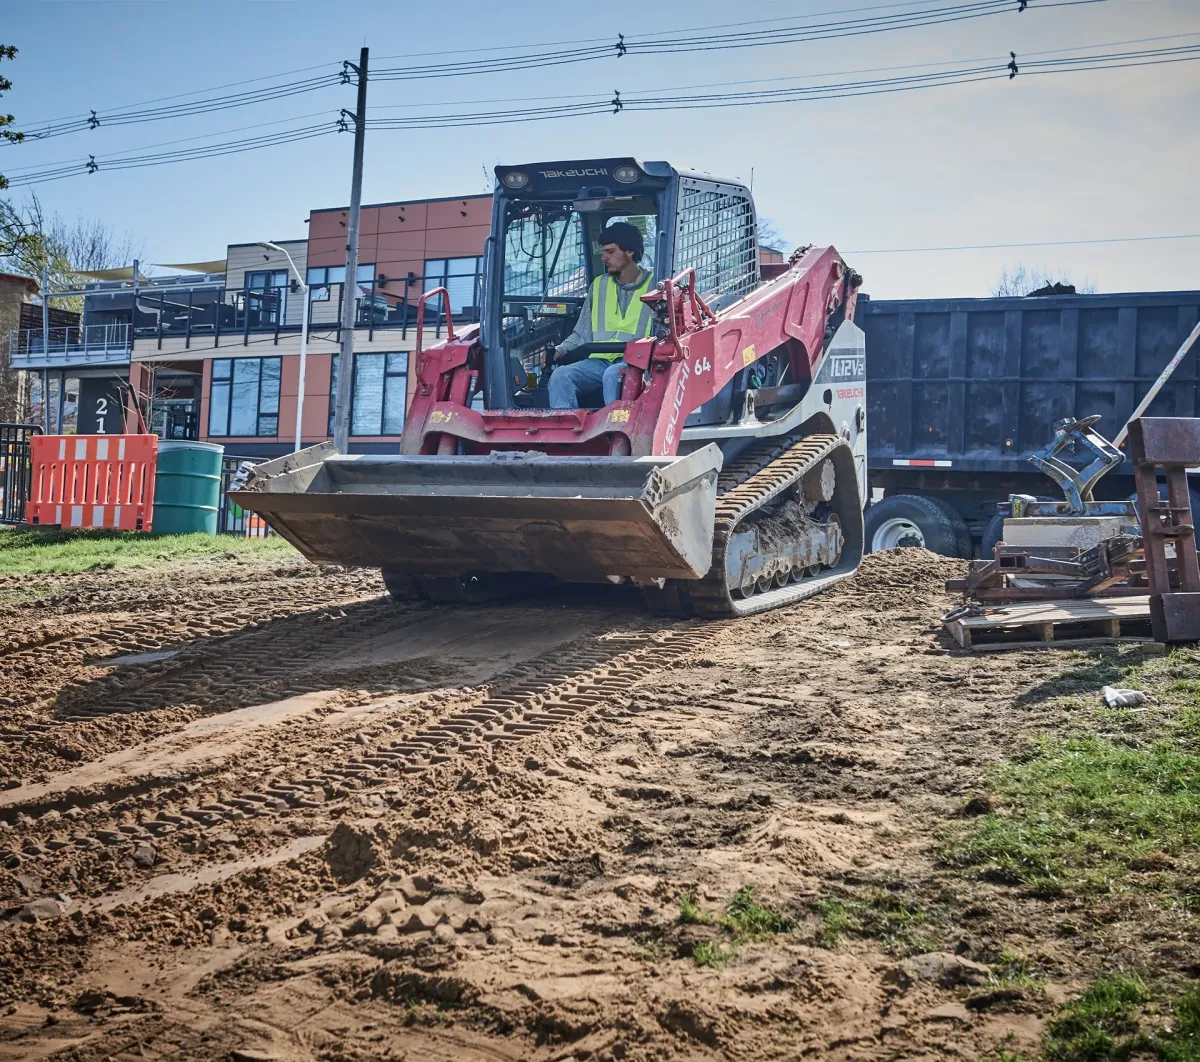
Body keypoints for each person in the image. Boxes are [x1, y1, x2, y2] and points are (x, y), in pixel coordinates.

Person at [547, 222, 654, 409]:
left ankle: (614, 430)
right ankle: (568, 432)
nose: (604, 257)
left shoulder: (655, 287)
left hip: (637, 363)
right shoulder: (599, 285)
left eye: (610, 252)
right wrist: (561, 349)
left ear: (629, 252)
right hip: (598, 362)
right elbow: (582, 333)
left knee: (613, 375)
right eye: (603, 251)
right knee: (561, 376)